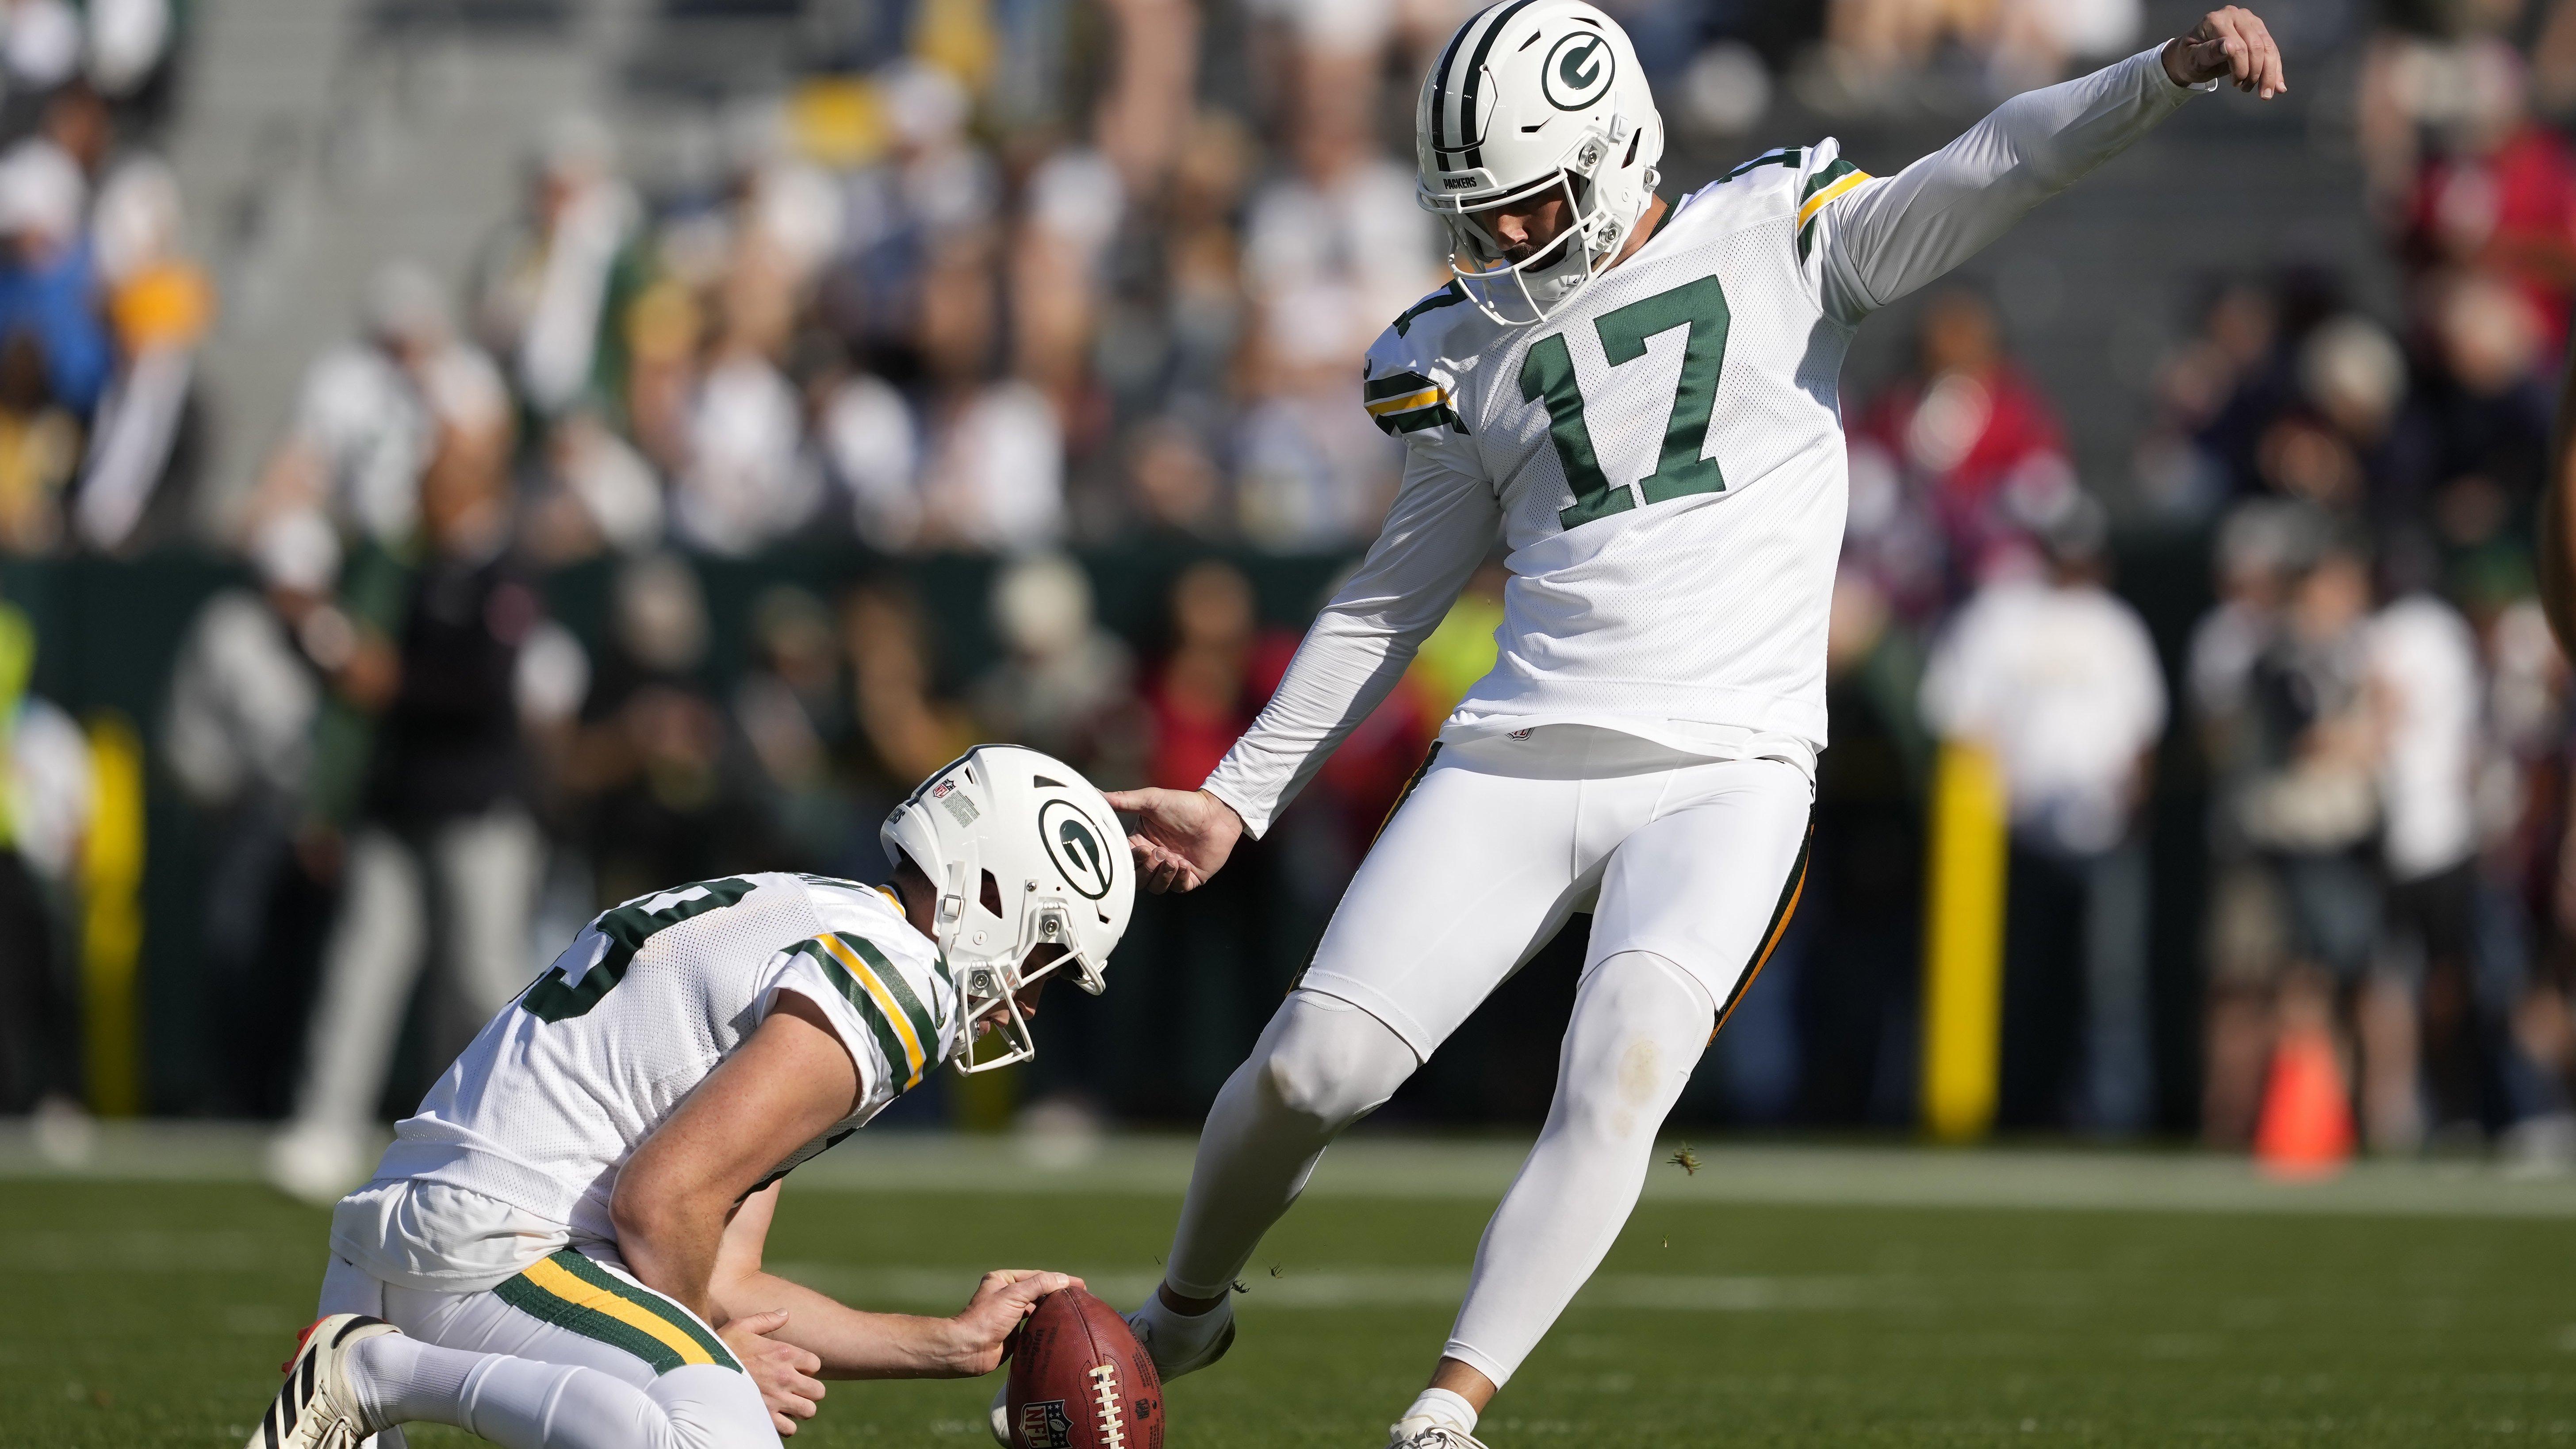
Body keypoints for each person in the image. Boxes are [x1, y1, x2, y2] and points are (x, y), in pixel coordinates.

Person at [1098, 6, 2287, 1447]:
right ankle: (1186, 1305)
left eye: (1524, 203)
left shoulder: (1775, 238)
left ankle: (1444, 1410)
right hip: (1516, 750)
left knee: (1623, 1060)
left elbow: (1987, 165)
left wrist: (2152, 78)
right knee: (1308, 1066)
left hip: (1728, 771)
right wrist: (1237, 792)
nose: (1498, 242)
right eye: (1475, 215)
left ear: (1610, 156)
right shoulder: (1465, 352)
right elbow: (1384, 602)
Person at [242, 745, 1134, 1449]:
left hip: (405, 1238)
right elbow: (662, 1201)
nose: (1027, 997)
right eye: (1043, 955)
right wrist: (707, 1357)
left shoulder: (816, 911)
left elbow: (725, 1278)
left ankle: (378, 1365)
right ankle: (376, 1375)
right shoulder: (900, 978)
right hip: (492, 1245)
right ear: (991, 892)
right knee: (719, 1435)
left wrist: (946, 1345)